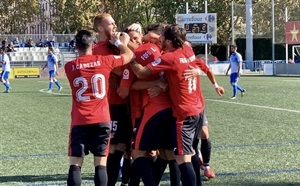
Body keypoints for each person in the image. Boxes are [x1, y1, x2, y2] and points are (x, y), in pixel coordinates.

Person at [129, 24, 224, 186]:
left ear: (170, 41)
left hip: (184, 114)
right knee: (187, 153)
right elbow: (199, 65)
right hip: (198, 109)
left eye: (164, 38)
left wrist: (128, 54)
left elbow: (140, 72)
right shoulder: (187, 50)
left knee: (182, 157)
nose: (161, 40)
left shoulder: (169, 58)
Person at [64, 29, 134, 186]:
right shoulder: (104, 61)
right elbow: (130, 56)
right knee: (101, 164)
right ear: (93, 45)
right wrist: (120, 43)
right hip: (102, 119)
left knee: (75, 164)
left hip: (80, 120)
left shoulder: (70, 67)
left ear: (76, 46)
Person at [93, 13, 134, 186]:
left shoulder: (113, 45)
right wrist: (122, 45)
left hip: (125, 103)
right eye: (111, 24)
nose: (115, 26)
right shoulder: (100, 49)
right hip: (111, 105)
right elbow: (123, 69)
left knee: (124, 147)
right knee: (112, 147)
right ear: (101, 28)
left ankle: (124, 182)